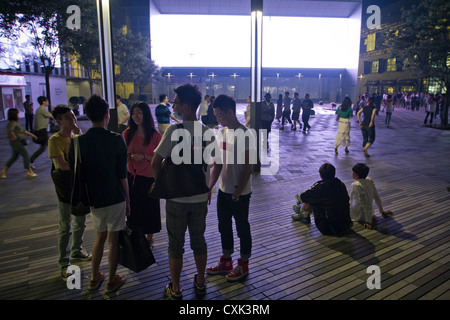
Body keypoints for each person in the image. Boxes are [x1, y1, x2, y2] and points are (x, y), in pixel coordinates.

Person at [151, 83, 219, 300]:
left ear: (187, 106)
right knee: (199, 240)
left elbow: (155, 162)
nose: (174, 104)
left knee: (175, 244)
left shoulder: (174, 130)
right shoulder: (206, 131)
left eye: (177, 102)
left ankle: (176, 288)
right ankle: (200, 281)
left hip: (176, 198)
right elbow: (217, 164)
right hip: (200, 197)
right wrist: (209, 187)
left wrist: (162, 182)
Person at [68, 94, 130, 294]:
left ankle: (94, 278)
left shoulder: (77, 143)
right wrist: (128, 201)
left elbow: (74, 170)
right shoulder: (116, 139)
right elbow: (123, 175)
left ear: (86, 115)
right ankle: (112, 280)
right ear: (107, 115)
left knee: (99, 237)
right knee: (113, 240)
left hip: (94, 199)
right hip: (115, 197)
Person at [207, 94, 256, 282]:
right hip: (223, 190)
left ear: (230, 111)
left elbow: (248, 168)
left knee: (242, 227)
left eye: (220, 115)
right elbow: (218, 164)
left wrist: (237, 191)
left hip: (240, 193)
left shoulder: (246, 134)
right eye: (216, 116)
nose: (218, 119)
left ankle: (243, 263)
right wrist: (210, 187)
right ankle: (226, 260)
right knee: (223, 226)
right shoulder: (222, 133)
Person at [48, 105, 91, 281]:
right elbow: (63, 165)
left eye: (73, 115)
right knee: (65, 226)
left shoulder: (76, 137)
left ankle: (77, 250)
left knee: (80, 221)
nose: (72, 119)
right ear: (58, 121)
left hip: (78, 186)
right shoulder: (55, 140)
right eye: (67, 117)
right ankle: (63, 263)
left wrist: (78, 134)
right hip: (65, 188)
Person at [123, 102, 162, 248]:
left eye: (139, 112)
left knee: (150, 209)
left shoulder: (155, 135)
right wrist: (125, 157)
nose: (135, 116)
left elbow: (160, 160)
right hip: (132, 178)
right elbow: (122, 154)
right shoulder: (127, 134)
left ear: (146, 114)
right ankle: (136, 239)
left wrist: (144, 156)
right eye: (133, 113)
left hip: (149, 178)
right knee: (134, 210)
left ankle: (149, 239)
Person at [291, 163, 352, 236]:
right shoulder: (340, 184)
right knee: (317, 198)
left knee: (312, 198)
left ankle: (302, 211)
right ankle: (303, 212)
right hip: (346, 225)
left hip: (329, 229)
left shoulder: (321, 187)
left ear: (320, 175)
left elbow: (304, 196)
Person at [350, 163, 393, 229]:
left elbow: (364, 203)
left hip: (359, 213)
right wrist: (381, 210)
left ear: (356, 175)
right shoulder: (369, 180)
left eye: (352, 172)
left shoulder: (356, 185)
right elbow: (376, 196)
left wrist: (368, 221)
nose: (352, 173)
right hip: (370, 212)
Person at [1, 108, 38, 179]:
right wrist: (13, 136)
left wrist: (32, 135)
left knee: (14, 157)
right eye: (17, 113)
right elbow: (10, 130)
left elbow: (23, 131)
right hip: (16, 142)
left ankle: (4, 171)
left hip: (18, 142)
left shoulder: (15, 122)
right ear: (14, 115)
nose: (18, 114)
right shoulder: (12, 123)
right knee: (25, 155)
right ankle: (29, 171)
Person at [30, 96, 54, 168]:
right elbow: (52, 116)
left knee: (46, 147)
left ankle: (55, 160)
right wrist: (54, 109)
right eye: (46, 101)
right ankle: (31, 160)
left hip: (41, 130)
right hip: (42, 131)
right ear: (43, 102)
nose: (47, 102)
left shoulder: (39, 110)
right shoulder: (41, 110)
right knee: (49, 146)